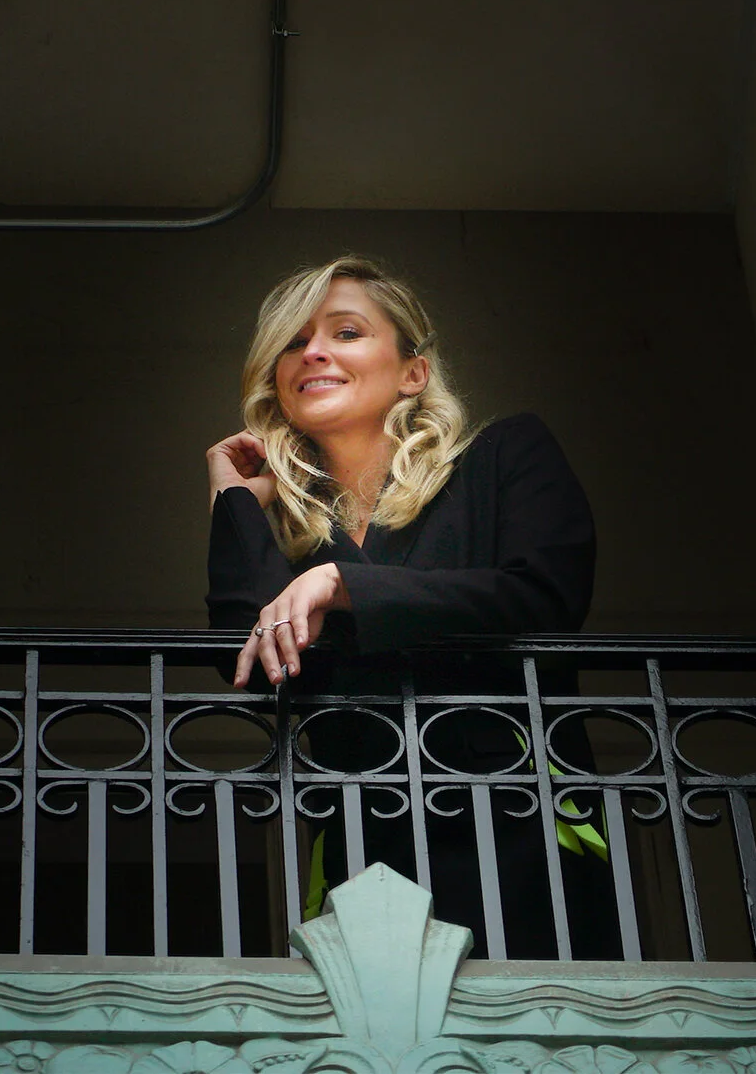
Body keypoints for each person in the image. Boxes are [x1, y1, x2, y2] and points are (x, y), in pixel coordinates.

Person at [203, 255, 615, 958]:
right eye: (295, 342)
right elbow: (251, 661)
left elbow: (544, 594)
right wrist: (236, 501)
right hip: (362, 864)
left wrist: (346, 586)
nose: (315, 352)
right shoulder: (299, 544)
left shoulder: (504, 455)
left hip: (516, 837)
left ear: (412, 372)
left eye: (347, 331)